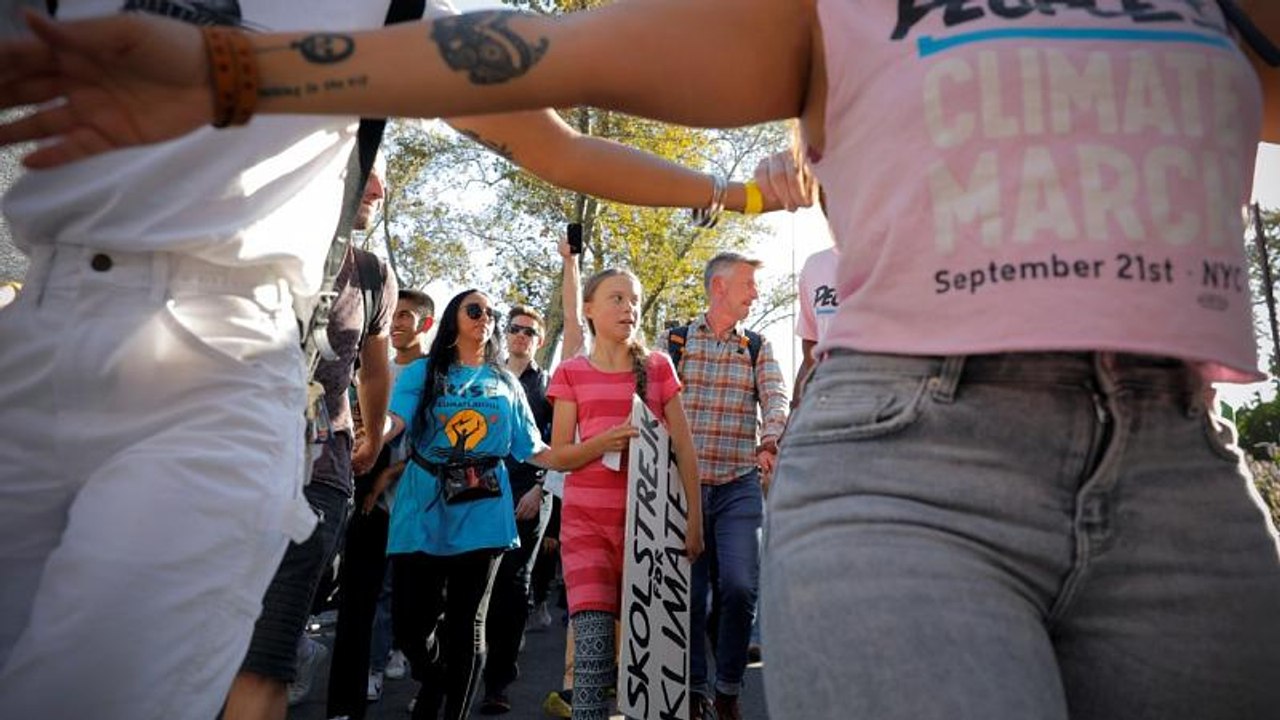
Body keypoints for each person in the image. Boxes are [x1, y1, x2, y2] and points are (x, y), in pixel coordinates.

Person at [6, 2, 1280, 719]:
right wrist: (229, 69)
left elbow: (548, 122)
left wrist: (734, 203)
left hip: (1181, 468)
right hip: (909, 466)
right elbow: (563, 65)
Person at [0, 3, 803, 717]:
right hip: (40, 325)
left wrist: (741, 194)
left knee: (97, 682)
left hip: (221, 352)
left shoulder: (391, 11)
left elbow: (561, 121)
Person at [546, 267, 703, 720]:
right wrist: (602, 443)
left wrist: (694, 521)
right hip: (586, 529)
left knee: (649, 674)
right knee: (593, 657)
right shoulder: (570, 373)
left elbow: (684, 449)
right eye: (616, 298)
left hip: (652, 534)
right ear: (589, 310)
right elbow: (559, 456)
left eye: (633, 300)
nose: (628, 308)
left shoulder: (658, 367)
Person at [656, 252, 787, 720]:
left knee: (739, 587)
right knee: (689, 597)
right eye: (748, 283)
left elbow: (776, 398)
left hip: (738, 485)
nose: (755, 292)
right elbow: (647, 403)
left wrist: (770, 438)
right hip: (681, 488)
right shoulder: (673, 342)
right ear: (719, 287)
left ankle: (728, 686)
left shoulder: (756, 347)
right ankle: (694, 691)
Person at [326, 288, 435, 720]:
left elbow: (432, 440)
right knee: (356, 607)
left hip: (416, 509)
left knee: (413, 617)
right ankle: (344, 705)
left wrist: (388, 474)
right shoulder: (375, 370)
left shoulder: (435, 374)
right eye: (394, 315)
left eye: (406, 315)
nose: (397, 323)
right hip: (366, 506)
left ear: (426, 323)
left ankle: (435, 685)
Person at [478, 304, 555, 715]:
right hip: (481, 495)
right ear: (505, 334)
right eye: (515, 329)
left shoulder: (549, 387)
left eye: (529, 331)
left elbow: (560, 443)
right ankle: (454, 677)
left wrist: (540, 489)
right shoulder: (486, 377)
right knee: (474, 584)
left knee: (512, 586)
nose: (521, 336)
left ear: (540, 340)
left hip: (529, 495)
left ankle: (498, 683)